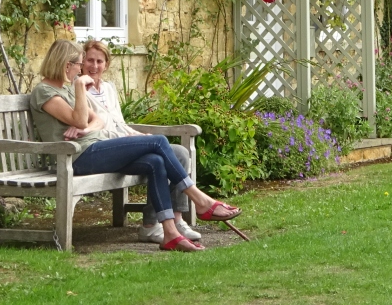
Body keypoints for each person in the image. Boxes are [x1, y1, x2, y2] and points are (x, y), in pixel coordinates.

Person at [29, 39, 241, 252]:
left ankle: (170, 233)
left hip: (95, 147)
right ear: (67, 64)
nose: (81, 68)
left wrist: (84, 125)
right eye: (79, 63)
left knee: (155, 162)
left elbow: (96, 121)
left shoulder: (66, 90)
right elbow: (82, 119)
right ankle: (200, 200)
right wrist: (80, 97)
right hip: (76, 157)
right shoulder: (45, 92)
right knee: (158, 141)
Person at [80, 39, 202, 245]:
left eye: (99, 61)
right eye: (90, 60)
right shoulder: (79, 90)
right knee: (158, 157)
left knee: (180, 152)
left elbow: (119, 122)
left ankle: (177, 219)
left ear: (106, 64)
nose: (94, 66)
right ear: (82, 62)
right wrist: (134, 139)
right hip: (107, 148)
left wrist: (137, 134)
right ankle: (155, 222)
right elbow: (97, 128)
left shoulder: (108, 89)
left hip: (125, 142)